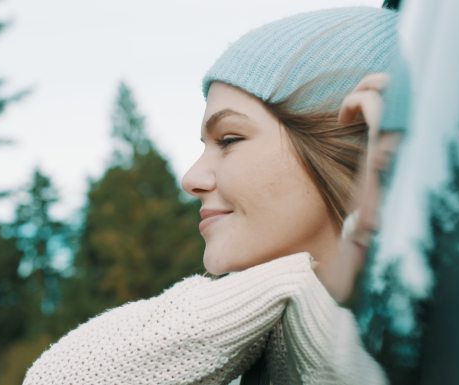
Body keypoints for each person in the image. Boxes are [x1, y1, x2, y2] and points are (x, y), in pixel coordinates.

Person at [22, 6, 400, 385]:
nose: (191, 179)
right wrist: (283, 286)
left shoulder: (440, 345)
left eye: (229, 139)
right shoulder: (260, 348)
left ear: (356, 145)